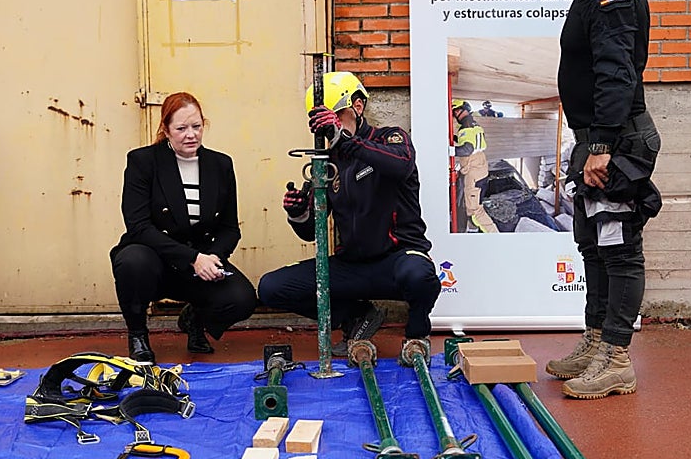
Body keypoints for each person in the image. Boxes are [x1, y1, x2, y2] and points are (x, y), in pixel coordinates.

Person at [545, 0, 662, 399]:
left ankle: (617, 358)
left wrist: (601, 147)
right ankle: (596, 342)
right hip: (597, 138)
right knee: (594, 245)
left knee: (619, 249)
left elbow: (617, 74)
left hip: (613, 143)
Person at [258, 72, 441, 361]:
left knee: (420, 276)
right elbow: (309, 232)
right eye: (321, 123)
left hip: (397, 260)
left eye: (334, 117)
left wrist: (345, 140)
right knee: (271, 288)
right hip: (352, 265)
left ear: (357, 106)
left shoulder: (390, 139)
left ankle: (417, 333)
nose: (327, 129)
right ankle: (356, 316)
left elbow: (402, 165)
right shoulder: (329, 163)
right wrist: (297, 213)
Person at [109, 92, 257, 363]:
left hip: (199, 263)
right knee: (132, 260)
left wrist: (212, 257)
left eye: (197, 127)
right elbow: (138, 226)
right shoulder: (143, 162)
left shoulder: (220, 165)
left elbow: (229, 228)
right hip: (156, 260)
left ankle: (195, 319)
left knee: (243, 298)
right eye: (181, 128)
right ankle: (138, 335)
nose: (191, 135)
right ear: (165, 130)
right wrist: (193, 259)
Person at [451, 100, 499, 233]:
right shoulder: (473, 124)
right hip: (479, 170)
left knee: (475, 211)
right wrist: (454, 139)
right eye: (454, 112)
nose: (456, 115)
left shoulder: (466, 126)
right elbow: (470, 142)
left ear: (465, 109)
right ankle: (473, 232)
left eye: (457, 111)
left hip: (473, 173)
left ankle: (494, 236)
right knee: (472, 206)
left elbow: (467, 149)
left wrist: (449, 150)